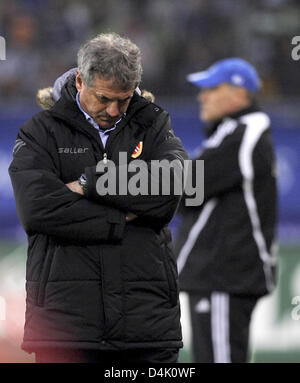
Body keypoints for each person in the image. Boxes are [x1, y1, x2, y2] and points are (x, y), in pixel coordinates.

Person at [9, 32, 188, 363]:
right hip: (65, 334)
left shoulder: (153, 123)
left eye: (123, 99)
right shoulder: (39, 132)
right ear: (80, 80)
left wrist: (90, 182)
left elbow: (176, 183)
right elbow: (37, 209)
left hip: (146, 331)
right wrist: (120, 217)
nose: (114, 109)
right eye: (104, 98)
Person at [174, 58, 277, 363]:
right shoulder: (234, 132)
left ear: (239, 93)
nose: (201, 96)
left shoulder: (244, 133)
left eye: (211, 88)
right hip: (220, 277)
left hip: (222, 275)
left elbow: (184, 192)